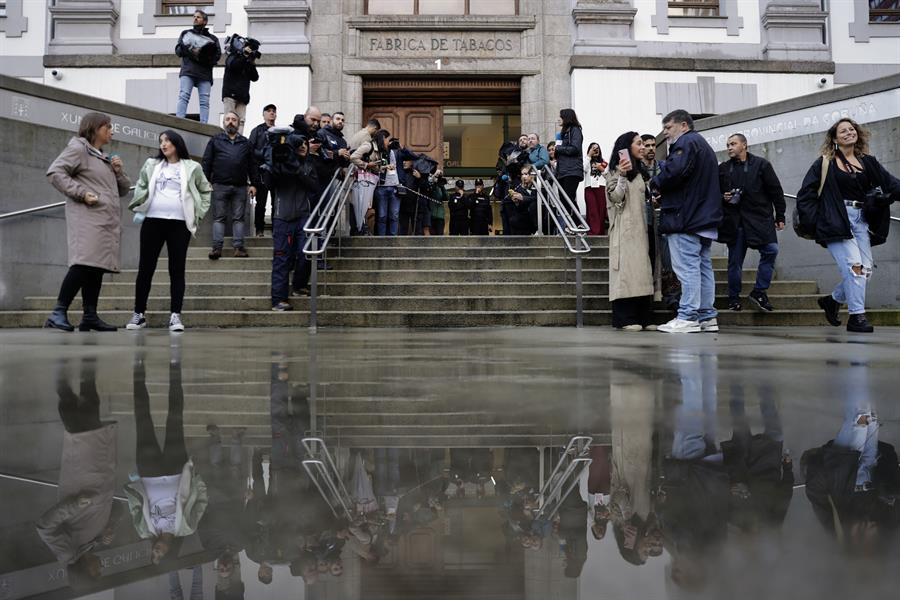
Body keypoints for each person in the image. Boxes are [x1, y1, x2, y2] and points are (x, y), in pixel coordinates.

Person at [796, 118, 899, 333]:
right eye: (843, 131)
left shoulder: (868, 162)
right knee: (855, 267)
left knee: (865, 271)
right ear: (834, 139)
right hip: (835, 220)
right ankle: (856, 317)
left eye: (851, 129)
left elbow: (891, 184)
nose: (849, 133)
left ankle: (832, 300)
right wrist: (815, 222)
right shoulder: (825, 163)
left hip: (861, 220)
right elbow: (806, 194)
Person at [45, 112, 131, 332]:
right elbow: (55, 172)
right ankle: (58, 312)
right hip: (86, 218)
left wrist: (118, 172)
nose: (112, 131)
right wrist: (81, 193)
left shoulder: (102, 157)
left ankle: (90, 316)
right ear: (95, 128)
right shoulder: (79, 149)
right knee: (83, 264)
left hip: (104, 220)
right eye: (108, 127)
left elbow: (123, 190)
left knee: (96, 267)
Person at [36, 358, 119, 586]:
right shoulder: (91, 545)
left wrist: (76, 504)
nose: (101, 568)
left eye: (98, 573)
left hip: (81, 473)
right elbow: (114, 508)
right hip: (97, 469)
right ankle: (82, 362)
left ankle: (70, 366)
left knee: (79, 422)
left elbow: (45, 528)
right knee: (87, 415)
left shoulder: (67, 553)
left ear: (86, 572)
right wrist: (110, 526)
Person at [125, 349, 208, 567]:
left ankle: (138, 367)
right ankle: (174, 364)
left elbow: (135, 508)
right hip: (175, 470)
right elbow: (201, 501)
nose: (156, 552)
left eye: (153, 555)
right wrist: (196, 478)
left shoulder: (145, 531)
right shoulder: (187, 528)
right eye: (160, 555)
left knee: (142, 419)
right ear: (170, 553)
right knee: (175, 418)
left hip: (148, 472)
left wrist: (135, 484)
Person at [126, 130, 211, 332]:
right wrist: (141, 201)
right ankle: (139, 314)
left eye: (167, 141)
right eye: (161, 141)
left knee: (177, 269)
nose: (163, 144)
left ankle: (175, 316)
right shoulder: (152, 164)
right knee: (146, 268)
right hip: (153, 221)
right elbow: (142, 184)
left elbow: (205, 190)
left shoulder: (192, 167)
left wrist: (198, 214)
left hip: (179, 224)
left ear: (177, 143)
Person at [651, 109, 722, 334]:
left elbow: (675, 172)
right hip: (703, 218)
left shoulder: (686, 142)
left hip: (685, 217)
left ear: (683, 125)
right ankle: (707, 316)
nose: (665, 132)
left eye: (668, 127)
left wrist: (656, 181)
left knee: (687, 268)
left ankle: (688, 316)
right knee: (702, 268)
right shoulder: (703, 145)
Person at [717, 133, 786, 313]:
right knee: (735, 262)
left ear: (744, 145)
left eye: (733, 143)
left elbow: (776, 191)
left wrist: (780, 216)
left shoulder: (762, 165)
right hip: (736, 222)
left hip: (760, 219)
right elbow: (713, 192)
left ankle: (759, 292)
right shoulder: (723, 168)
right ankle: (733, 299)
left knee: (771, 250)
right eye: (728, 144)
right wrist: (723, 196)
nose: (729, 147)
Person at [605, 132, 655, 331]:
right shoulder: (614, 172)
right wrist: (622, 176)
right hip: (625, 230)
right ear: (626, 147)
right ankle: (624, 318)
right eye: (639, 143)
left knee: (643, 273)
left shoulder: (642, 172)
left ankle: (644, 316)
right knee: (627, 272)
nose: (643, 147)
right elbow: (615, 198)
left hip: (644, 228)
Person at [263, 134, 319, 310]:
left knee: (305, 253)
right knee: (281, 258)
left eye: (305, 143)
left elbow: (314, 187)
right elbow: (268, 184)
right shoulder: (280, 164)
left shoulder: (309, 166)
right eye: (299, 144)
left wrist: (297, 168)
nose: (303, 146)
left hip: (304, 216)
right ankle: (278, 300)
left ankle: (299, 285)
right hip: (283, 217)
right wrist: (272, 164)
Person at [202, 111, 257, 259]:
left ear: (238, 123)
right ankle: (217, 248)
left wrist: (253, 184)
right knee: (219, 217)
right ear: (224, 122)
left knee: (239, 218)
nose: (230, 122)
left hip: (240, 186)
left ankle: (238, 248)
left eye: (234, 119)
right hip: (219, 185)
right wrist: (206, 181)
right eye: (227, 119)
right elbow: (207, 161)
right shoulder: (215, 140)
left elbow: (252, 165)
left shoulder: (246, 143)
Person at [174, 10, 221, 124]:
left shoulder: (213, 39)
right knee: (184, 95)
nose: (195, 18)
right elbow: (178, 51)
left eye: (198, 17)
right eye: (194, 16)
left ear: (205, 21)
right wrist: (192, 51)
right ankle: (179, 121)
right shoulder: (186, 33)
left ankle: (204, 125)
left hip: (204, 74)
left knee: (204, 101)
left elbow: (216, 57)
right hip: (188, 70)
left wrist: (202, 56)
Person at [349, 128, 388, 236]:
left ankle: (363, 230)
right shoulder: (368, 145)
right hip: (360, 182)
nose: (388, 142)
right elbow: (353, 157)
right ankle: (358, 231)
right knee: (360, 206)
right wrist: (366, 165)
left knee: (366, 207)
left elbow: (373, 166)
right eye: (387, 139)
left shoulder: (379, 151)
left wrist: (383, 167)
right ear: (382, 138)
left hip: (369, 183)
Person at [248, 103, 277, 237]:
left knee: (276, 203)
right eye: (269, 111)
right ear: (264, 114)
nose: (272, 113)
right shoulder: (257, 131)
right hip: (261, 172)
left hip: (276, 173)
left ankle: (276, 229)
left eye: (274, 111)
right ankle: (259, 229)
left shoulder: (279, 131)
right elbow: (250, 151)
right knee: (261, 203)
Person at [221, 38, 259, 134]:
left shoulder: (248, 61)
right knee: (229, 118)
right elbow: (234, 66)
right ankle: (227, 139)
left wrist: (252, 62)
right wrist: (244, 55)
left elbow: (255, 77)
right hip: (230, 94)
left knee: (241, 121)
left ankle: (238, 140)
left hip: (242, 96)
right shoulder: (233, 56)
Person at [554, 108, 584, 222]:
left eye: (560, 117)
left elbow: (575, 148)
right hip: (562, 171)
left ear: (566, 118)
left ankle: (578, 223)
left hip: (572, 170)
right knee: (564, 199)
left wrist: (559, 148)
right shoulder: (563, 133)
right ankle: (572, 224)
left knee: (568, 199)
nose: (558, 119)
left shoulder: (575, 130)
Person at [374, 135, 402, 236]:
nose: (388, 141)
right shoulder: (376, 152)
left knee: (394, 215)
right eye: (386, 139)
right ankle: (382, 239)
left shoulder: (392, 152)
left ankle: (393, 239)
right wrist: (385, 167)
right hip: (381, 187)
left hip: (394, 186)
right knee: (382, 216)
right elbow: (373, 167)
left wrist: (401, 147)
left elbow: (395, 166)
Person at [584, 142, 608, 235]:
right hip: (589, 188)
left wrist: (600, 168)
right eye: (593, 148)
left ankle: (600, 232)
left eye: (597, 148)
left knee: (601, 210)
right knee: (592, 209)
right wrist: (589, 155)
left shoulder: (604, 162)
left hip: (601, 187)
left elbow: (608, 176)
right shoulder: (587, 160)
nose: (595, 150)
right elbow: (583, 168)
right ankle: (593, 232)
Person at [508, 166, 537, 235]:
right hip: (524, 216)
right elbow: (520, 208)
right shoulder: (519, 188)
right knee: (513, 219)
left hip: (536, 216)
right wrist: (517, 202)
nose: (523, 176)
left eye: (526, 174)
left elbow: (536, 198)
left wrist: (523, 198)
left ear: (532, 175)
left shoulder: (537, 185)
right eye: (522, 174)